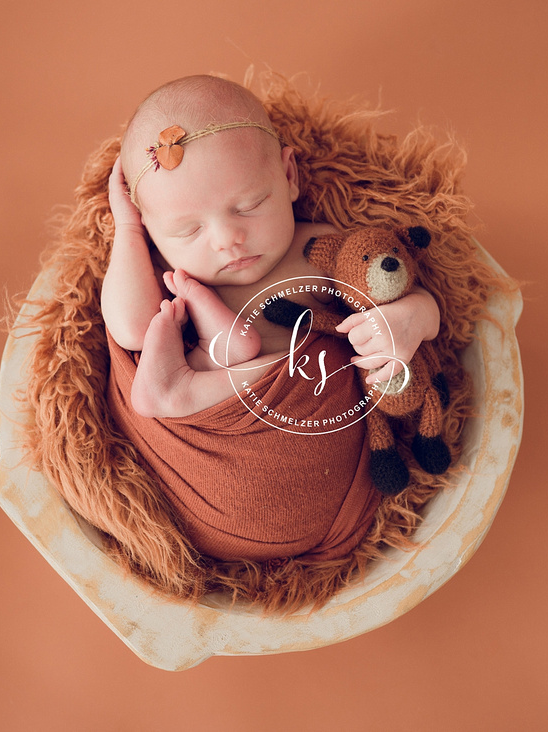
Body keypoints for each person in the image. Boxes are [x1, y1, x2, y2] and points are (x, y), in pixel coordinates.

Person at [98, 75, 442, 562]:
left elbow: (410, 293)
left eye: (249, 205)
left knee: (319, 358)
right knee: (192, 347)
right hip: (202, 484)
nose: (226, 240)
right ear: (153, 228)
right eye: (186, 228)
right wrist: (128, 231)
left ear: (288, 175)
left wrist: (408, 320)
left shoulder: (320, 249)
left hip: (311, 465)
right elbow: (130, 329)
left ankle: (193, 386)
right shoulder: (165, 272)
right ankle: (189, 389)